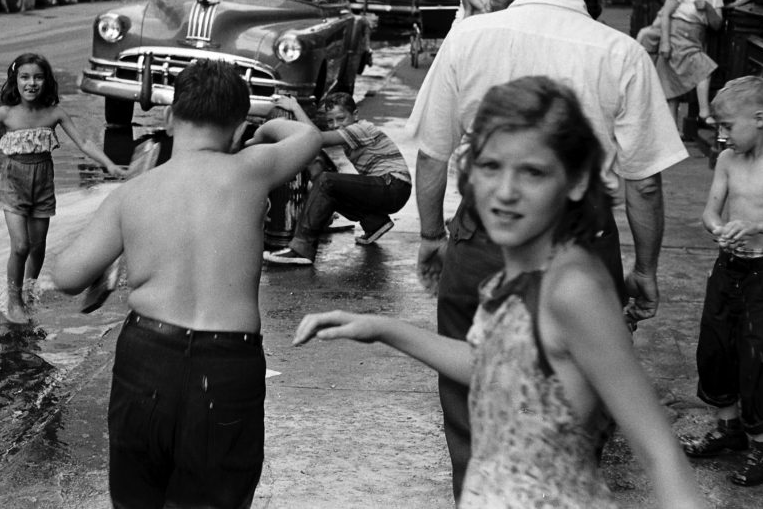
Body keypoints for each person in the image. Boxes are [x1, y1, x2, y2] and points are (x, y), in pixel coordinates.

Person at [295, 77, 706, 508]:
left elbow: (660, 453)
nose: (506, 192)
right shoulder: (514, 275)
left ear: (577, 182)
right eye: (491, 167)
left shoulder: (573, 289)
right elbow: (496, 366)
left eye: (533, 171)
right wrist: (382, 329)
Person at [407, 0, 688, 502]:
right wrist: (646, 269)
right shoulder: (620, 54)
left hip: (482, 241)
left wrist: (432, 235)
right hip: (584, 246)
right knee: (578, 417)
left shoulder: (470, 38)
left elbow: (433, 154)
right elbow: (643, 181)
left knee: (473, 414)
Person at [52, 60, 321, 508]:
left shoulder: (132, 194)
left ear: (169, 118)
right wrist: (264, 130)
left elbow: (67, 276)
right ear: (236, 130)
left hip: (147, 359)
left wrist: (119, 251)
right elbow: (307, 137)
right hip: (227, 365)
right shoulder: (253, 169)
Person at [682, 76, 763, 486]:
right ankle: (729, 429)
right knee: (715, 347)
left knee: (759, 357)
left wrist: (759, 225)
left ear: (758, 119)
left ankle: (762, 447)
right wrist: (718, 228)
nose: (721, 135)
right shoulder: (727, 161)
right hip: (728, 266)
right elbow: (709, 211)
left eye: (727, 126)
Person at [0, 53, 127, 323]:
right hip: (13, 186)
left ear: (47, 81)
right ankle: (14, 299)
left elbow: (85, 142)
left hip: (42, 187)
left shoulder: (54, 113)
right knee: (20, 246)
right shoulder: (5, 114)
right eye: (25, 77)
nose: (31, 83)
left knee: (38, 247)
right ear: (15, 80)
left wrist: (110, 165)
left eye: (38, 77)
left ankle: (29, 288)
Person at [262, 92, 412, 265]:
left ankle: (301, 248)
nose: (336, 125)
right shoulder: (351, 132)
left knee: (327, 181)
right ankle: (374, 222)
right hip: (391, 188)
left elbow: (316, 138)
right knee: (327, 185)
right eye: (331, 121)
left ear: (355, 115)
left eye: (341, 118)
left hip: (393, 185)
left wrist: (295, 107)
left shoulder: (359, 129)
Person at [654, 0, 725, 127]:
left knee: (703, 69)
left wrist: (708, 7)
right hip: (676, 36)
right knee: (672, 87)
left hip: (696, 39)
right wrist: (665, 42)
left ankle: (702, 113)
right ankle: (676, 130)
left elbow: (716, 24)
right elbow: (666, 13)